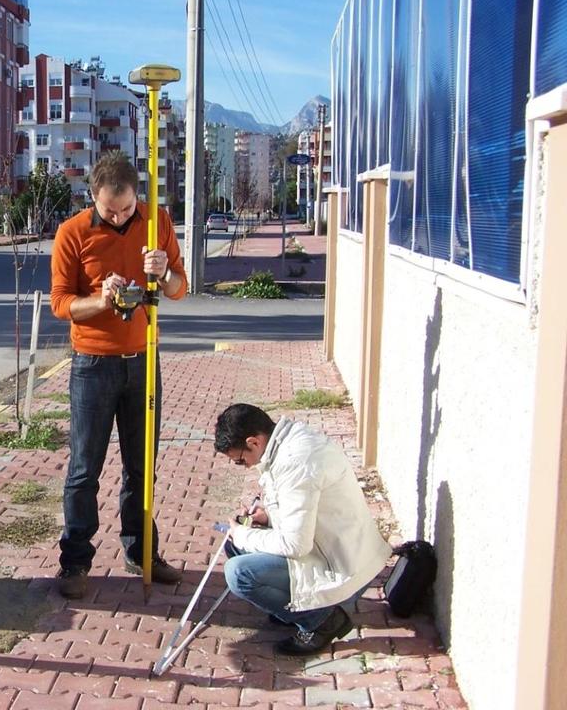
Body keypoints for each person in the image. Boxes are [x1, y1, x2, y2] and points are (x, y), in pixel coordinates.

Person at [49, 152, 188, 599]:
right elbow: (60, 304)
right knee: (84, 467)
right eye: (110, 210)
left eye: (126, 209)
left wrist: (163, 270)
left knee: (140, 466)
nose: (119, 217)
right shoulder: (73, 232)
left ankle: (142, 551)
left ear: (136, 197)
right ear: (93, 197)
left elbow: (180, 289)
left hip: (144, 358)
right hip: (93, 363)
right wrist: (102, 301)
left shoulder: (157, 222)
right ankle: (74, 562)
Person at [214, 403, 391, 655]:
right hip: (334, 550)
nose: (246, 466)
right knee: (235, 544)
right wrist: (267, 517)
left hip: (342, 567)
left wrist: (245, 535)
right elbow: (303, 508)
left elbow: (296, 545)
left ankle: (322, 620)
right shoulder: (290, 441)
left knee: (238, 573)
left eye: (241, 461)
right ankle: (294, 608)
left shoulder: (294, 462)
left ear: (254, 442)